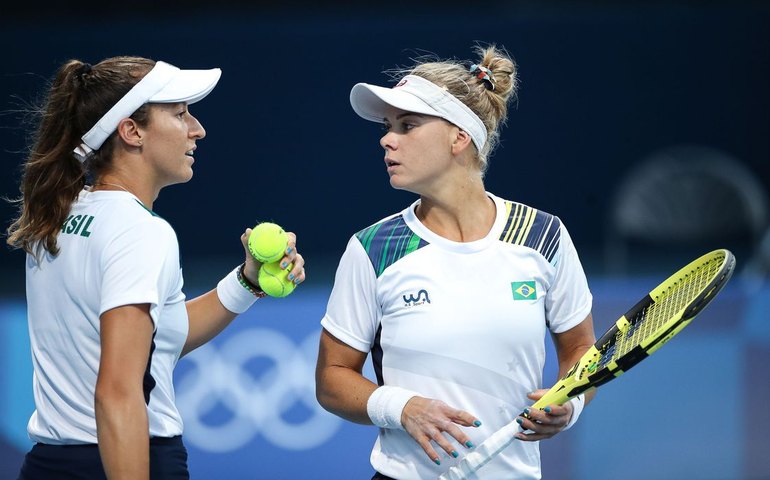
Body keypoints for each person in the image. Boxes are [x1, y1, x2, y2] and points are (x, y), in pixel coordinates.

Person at [5, 56, 305, 479]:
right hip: (123, 458)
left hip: (49, 465)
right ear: (131, 131)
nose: (197, 129)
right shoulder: (141, 232)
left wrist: (247, 280)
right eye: (180, 114)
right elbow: (117, 391)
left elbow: (154, 341)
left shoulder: (58, 216)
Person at [315, 45, 595, 479]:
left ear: (459, 137)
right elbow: (332, 378)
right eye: (388, 127)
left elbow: (579, 349)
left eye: (407, 126)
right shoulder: (373, 248)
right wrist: (403, 408)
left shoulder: (544, 236)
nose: (386, 139)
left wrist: (570, 403)